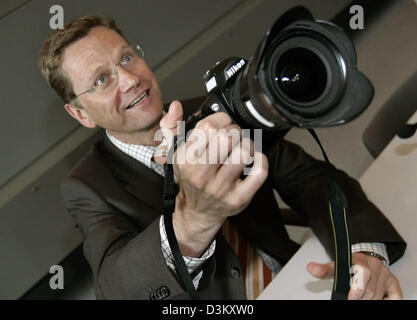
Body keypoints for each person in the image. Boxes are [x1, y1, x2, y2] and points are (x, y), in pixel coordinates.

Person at [39, 15, 406, 300]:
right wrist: (194, 217)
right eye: (101, 80)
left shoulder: (214, 114)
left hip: (297, 278)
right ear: (81, 114)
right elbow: (118, 287)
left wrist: (363, 250)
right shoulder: (87, 186)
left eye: (127, 58)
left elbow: (314, 180)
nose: (129, 79)